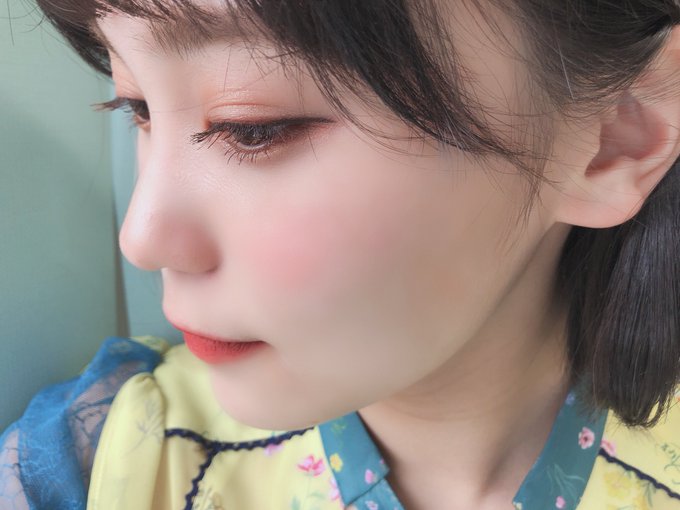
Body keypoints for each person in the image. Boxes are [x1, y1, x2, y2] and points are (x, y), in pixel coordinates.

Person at [2, 0, 680, 508]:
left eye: (251, 126)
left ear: (613, 137)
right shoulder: (94, 466)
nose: (142, 237)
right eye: (138, 107)